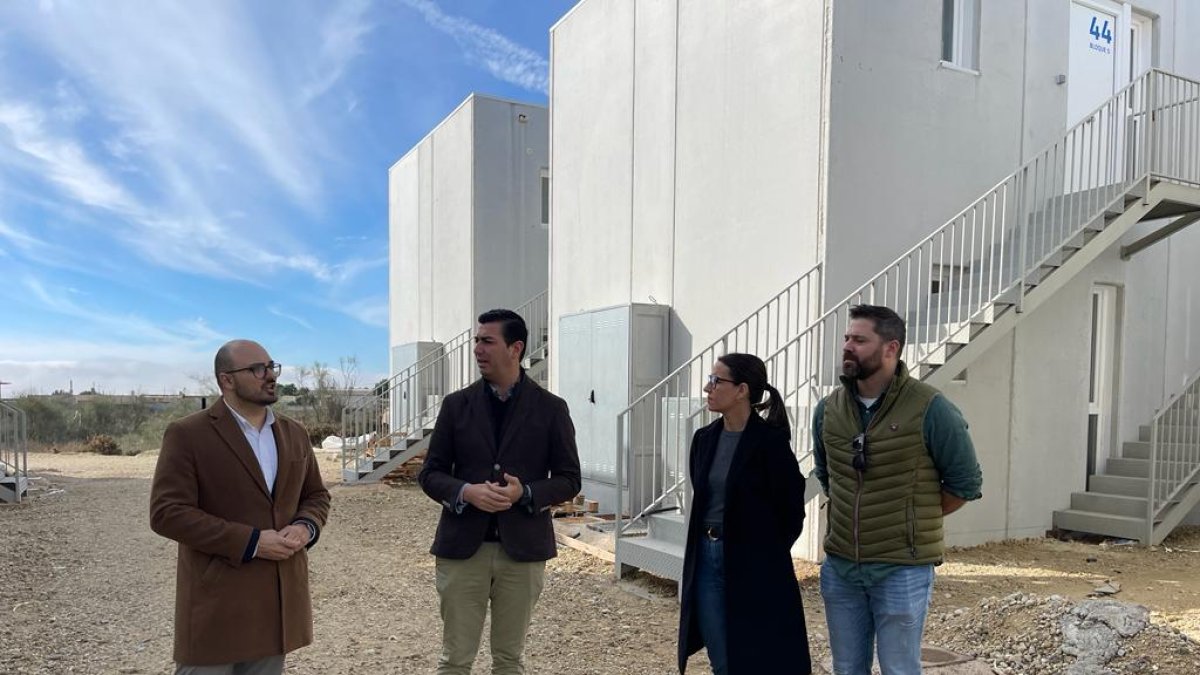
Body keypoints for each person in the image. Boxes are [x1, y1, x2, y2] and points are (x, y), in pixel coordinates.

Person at [813, 305, 983, 675]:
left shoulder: (931, 409)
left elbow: (965, 484)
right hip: (841, 566)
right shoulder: (828, 409)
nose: (847, 347)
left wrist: (908, 517)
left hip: (901, 569)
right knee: (846, 668)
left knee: (899, 668)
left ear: (891, 349)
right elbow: (829, 475)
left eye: (859, 340)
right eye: (846, 338)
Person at [150, 339, 330, 674]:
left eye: (271, 366)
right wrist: (252, 542)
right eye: (257, 369)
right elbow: (167, 513)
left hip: (277, 605)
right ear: (227, 380)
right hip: (217, 606)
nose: (270, 375)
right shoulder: (189, 434)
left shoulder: (294, 433)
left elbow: (316, 495)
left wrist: (306, 526)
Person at [418, 309, 581, 675]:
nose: (477, 348)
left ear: (515, 348)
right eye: (477, 340)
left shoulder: (551, 409)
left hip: (521, 553)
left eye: (487, 341)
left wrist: (524, 492)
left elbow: (570, 479)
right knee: (455, 660)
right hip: (462, 552)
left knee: (509, 661)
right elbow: (431, 474)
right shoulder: (456, 405)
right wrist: (465, 492)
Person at [677, 353, 811, 674]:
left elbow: (791, 512)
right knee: (720, 655)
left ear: (742, 390)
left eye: (716, 381)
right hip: (707, 559)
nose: (708, 388)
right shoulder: (704, 439)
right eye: (709, 380)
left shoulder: (770, 443)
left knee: (753, 652)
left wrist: (763, 552)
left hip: (752, 562)